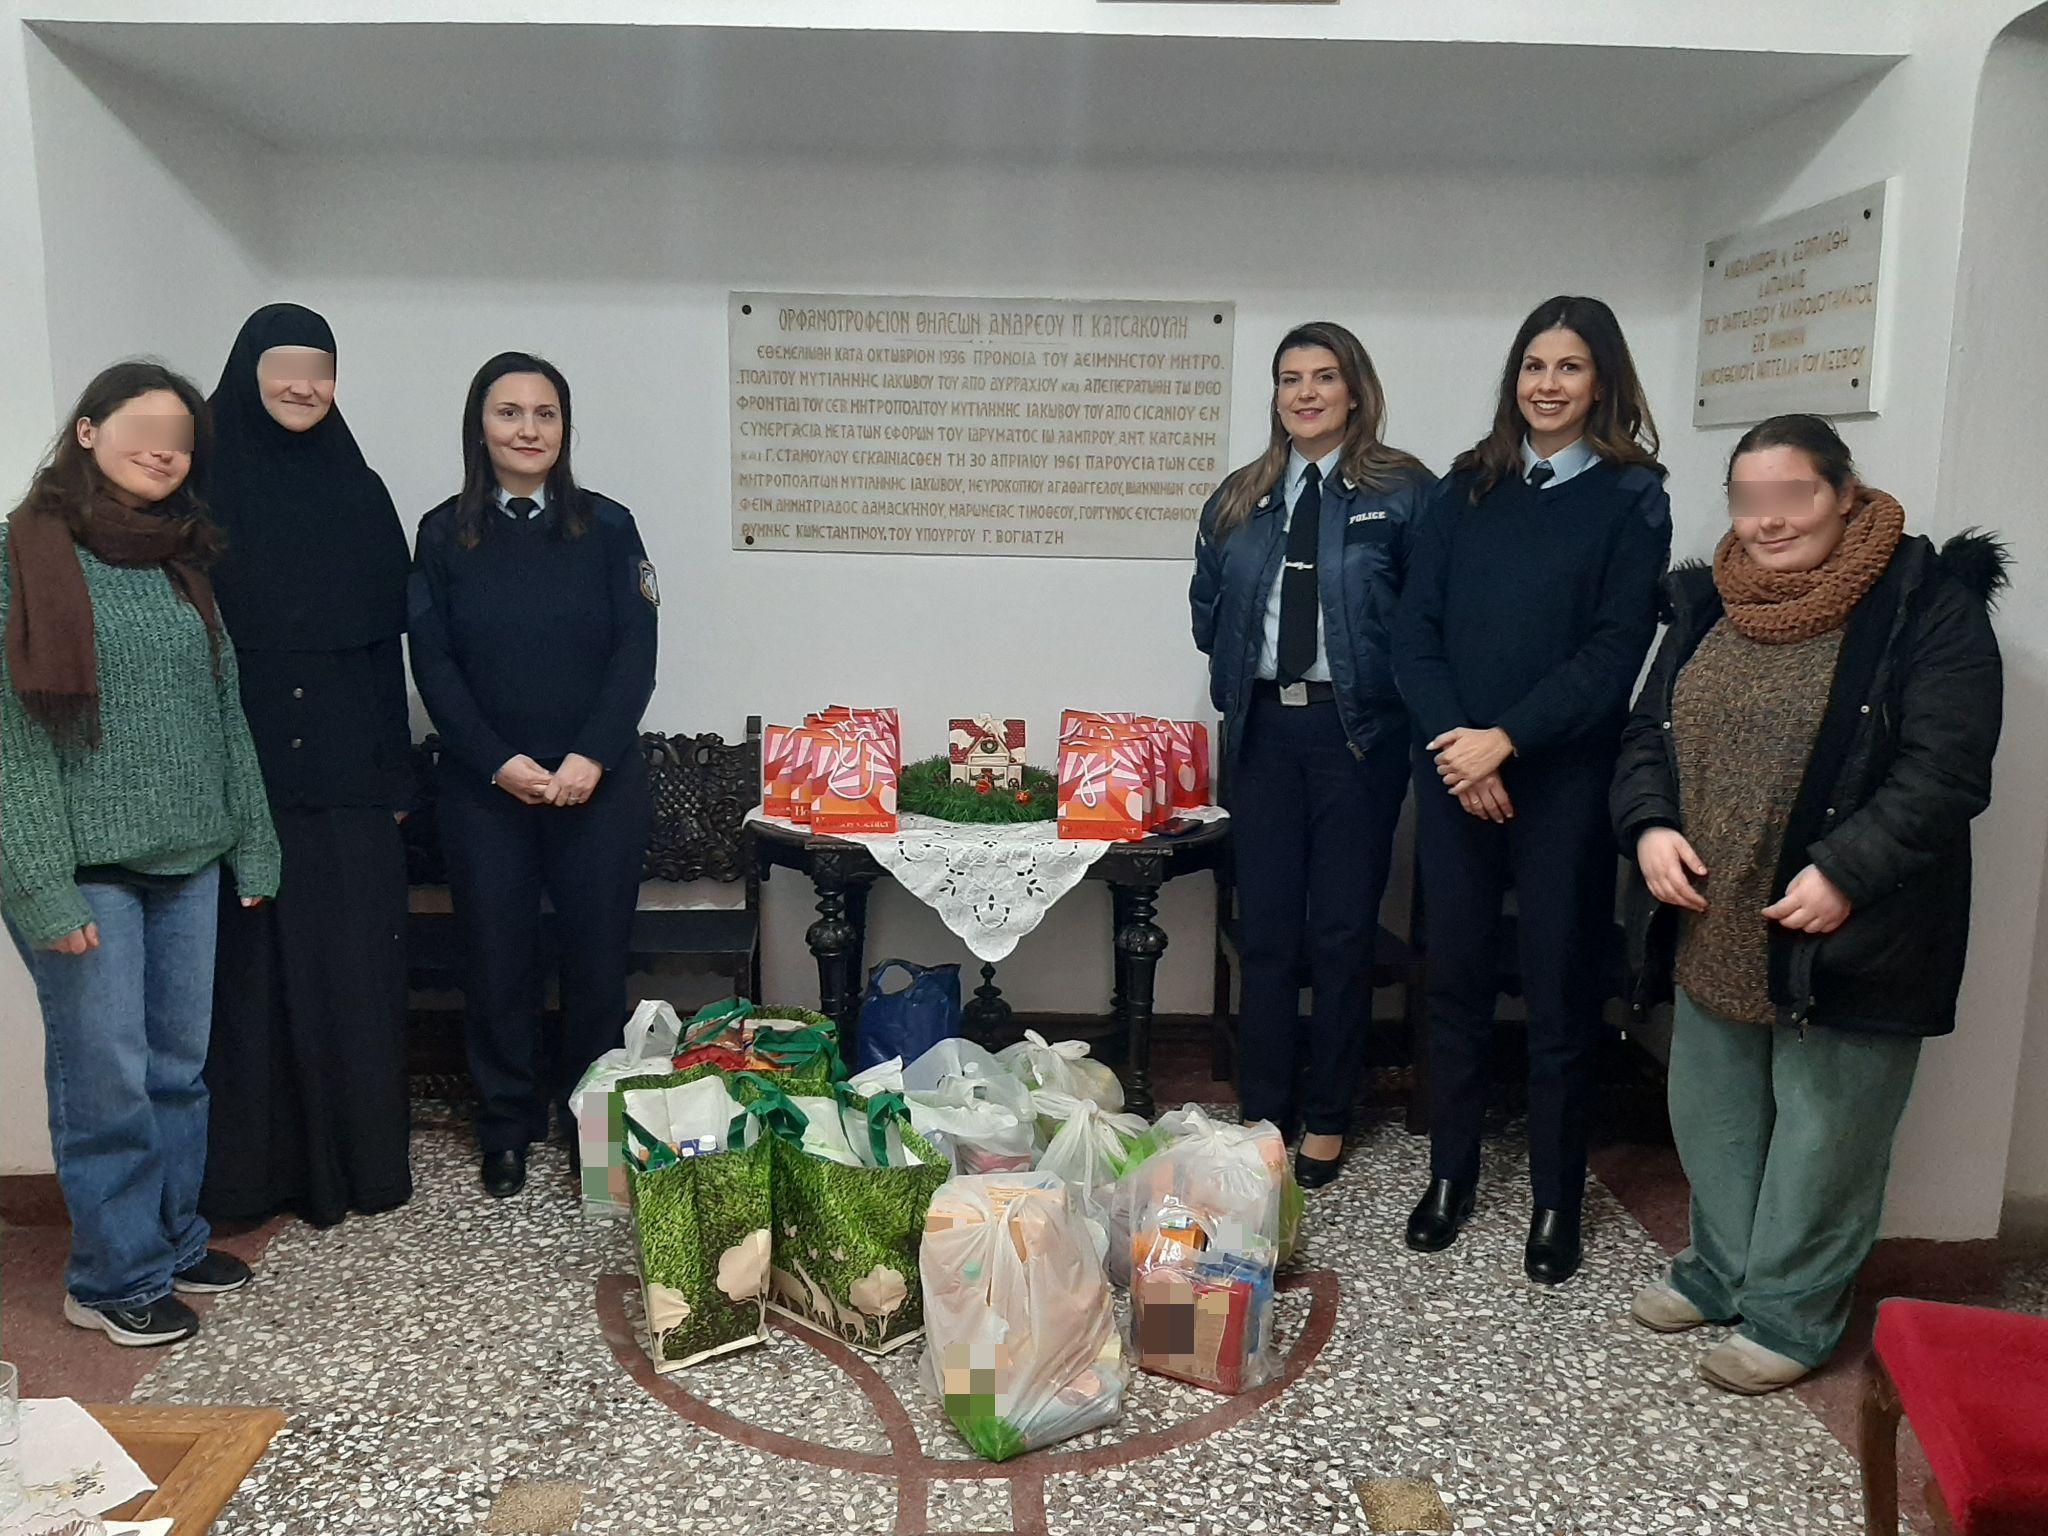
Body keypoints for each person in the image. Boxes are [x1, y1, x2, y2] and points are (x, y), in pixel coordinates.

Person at [1612, 414, 2003, 1393]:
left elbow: (1945, 770)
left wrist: (1845, 873)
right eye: (1748, 500)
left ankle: (1789, 1317)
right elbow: (1647, 735)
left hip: (1850, 930)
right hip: (1715, 921)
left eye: (1791, 496)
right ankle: (1718, 1272)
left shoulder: (1925, 604)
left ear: (1842, 492)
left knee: (1825, 1138)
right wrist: (1649, 826)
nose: (1768, 520)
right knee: (1715, 1119)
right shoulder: (1706, 602)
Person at [1392, 295, 1671, 1284]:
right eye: (1533, 366)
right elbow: (1413, 633)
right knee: (1457, 983)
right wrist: (1459, 751)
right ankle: (1450, 1177)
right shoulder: (1464, 487)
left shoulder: (1632, 497)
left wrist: (1505, 742)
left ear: (1601, 381)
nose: (1547, 385)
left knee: (1558, 992)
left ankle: (1556, 1199)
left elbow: (1612, 651)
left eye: (1569, 367)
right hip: (1454, 775)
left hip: (1561, 782)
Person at [1, 361, 280, 1347]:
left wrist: (253, 842)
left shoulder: (177, 562)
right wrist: (39, 885)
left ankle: (170, 1239)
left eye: (181, 440)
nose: (165, 451)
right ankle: (111, 1277)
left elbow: (222, 710)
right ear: (87, 430)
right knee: (107, 1083)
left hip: (187, 859)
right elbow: (9, 740)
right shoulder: (21, 555)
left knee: (176, 1072)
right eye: (144, 429)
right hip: (83, 872)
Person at [1190, 321, 1435, 1187]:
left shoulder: (1404, 492)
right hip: (1263, 734)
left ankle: (1328, 1115)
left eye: (1324, 377)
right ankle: (1265, 1112)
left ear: (1355, 390)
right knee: (1264, 933)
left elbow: (1430, 615)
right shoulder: (1240, 496)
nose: (1306, 393)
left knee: (1339, 933)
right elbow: (1208, 610)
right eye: (1290, 378)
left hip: (1357, 736)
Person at [408, 351, 658, 1198]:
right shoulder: (443, 533)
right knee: (497, 961)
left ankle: (593, 1125)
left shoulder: (609, 526)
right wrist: (496, 762)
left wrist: (591, 755)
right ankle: (506, 1126)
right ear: (480, 426)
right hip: (486, 790)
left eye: (545, 414)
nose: (527, 429)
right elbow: (433, 662)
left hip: (599, 784)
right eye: (508, 412)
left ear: (565, 428)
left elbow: (636, 650)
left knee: (596, 963)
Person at [198, 303, 416, 1228]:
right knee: (248, 986)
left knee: (352, 975)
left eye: (320, 369)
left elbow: (383, 649)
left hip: (347, 777)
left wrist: (395, 778)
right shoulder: (197, 490)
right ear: (246, 373)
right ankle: (250, 1181)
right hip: (236, 776)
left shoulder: (358, 490)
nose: (303, 385)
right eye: (283, 367)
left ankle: (359, 1170)